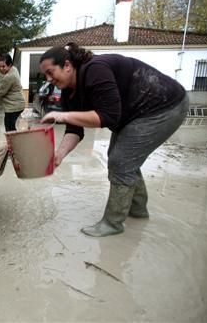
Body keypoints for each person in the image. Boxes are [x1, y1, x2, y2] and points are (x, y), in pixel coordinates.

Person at [39, 42, 188, 237]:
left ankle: (113, 223)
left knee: (121, 160)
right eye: (46, 76)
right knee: (121, 158)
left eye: (51, 72)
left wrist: (62, 116)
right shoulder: (69, 92)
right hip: (134, 114)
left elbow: (108, 116)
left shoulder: (95, 70)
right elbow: (75, 129)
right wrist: (59, 155)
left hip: (164, 105)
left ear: (67, 65)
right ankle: (137, 211)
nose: (49, 79)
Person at [0, 53, 26, 132]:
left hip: (13, 107)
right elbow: (1, 75)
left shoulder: (9, 77)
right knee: (10, 127)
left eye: (3, 66)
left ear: (10, 65)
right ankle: (13, 142)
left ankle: (14, 143)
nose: (1, 68)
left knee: (9, 128)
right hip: (17, 104)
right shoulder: (13, 69)